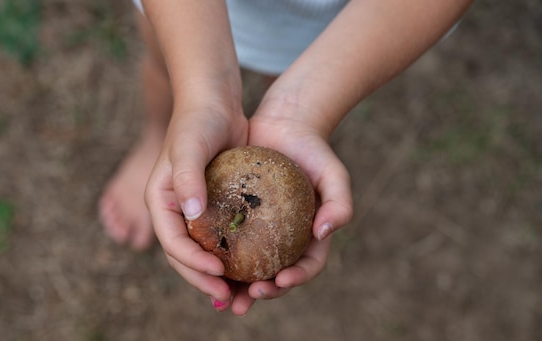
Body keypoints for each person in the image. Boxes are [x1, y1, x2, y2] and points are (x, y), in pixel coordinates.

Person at [99, 0, 474, 316]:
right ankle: (156, 140)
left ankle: (280, 111)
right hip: (191, 16)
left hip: (341, 30)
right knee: (169, 75)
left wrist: (304, 108)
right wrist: (203, 92)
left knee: (281, 80)